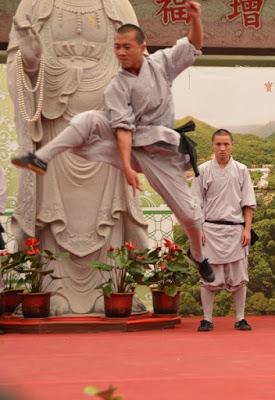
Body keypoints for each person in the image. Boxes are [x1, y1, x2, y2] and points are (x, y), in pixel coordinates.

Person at [12, 1, 215, 284]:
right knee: (87, 121)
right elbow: (122, 130)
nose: (119, 52)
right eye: (116, 46)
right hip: (128, 147)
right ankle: (41, 157)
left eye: (126, 47)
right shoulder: (117, 86)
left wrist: (195, 18)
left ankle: (199, 255)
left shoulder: (161, 65)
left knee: (191, 217)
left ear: (142, 47)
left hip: (160, 152)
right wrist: (126, 166)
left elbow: (192, 46)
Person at [7, 0, 148, 315]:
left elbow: (141, 68)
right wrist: (30, 62)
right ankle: (53, 291)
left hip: (105, 129)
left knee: (108, 212)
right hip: (55, 125)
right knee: (52, 212)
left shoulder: (119, 5)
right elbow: (21, 66)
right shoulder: (33, 4)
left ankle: (109, 290)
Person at [191, 129, 256, 331]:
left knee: (239, 277)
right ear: (212, 145)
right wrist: (198, 229)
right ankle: (207, 318)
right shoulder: (202, 170)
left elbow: (248, 203)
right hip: (209, 229)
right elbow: (195, 203)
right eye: (218, 144)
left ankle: (240, 318)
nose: (222, 148)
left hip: (235, 230)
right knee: (208, 277)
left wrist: (247, 229)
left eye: (226, 144)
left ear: (232, 145)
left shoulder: (242, 170)